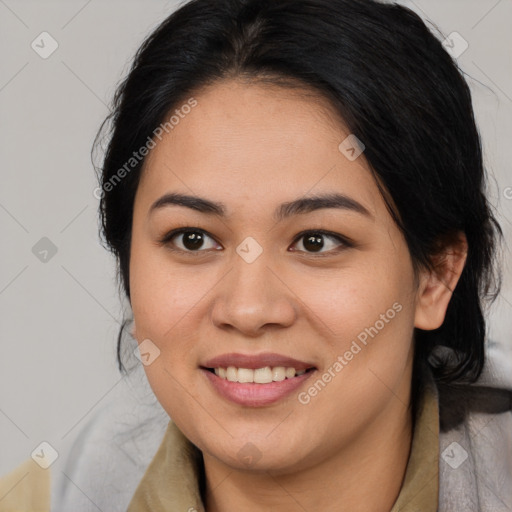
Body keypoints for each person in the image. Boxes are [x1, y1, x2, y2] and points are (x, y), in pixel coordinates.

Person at [1, 0, 511, 510]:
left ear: (435, 277)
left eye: (317, 241)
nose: (247, 310)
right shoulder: (48, 498)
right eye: (192, 239)